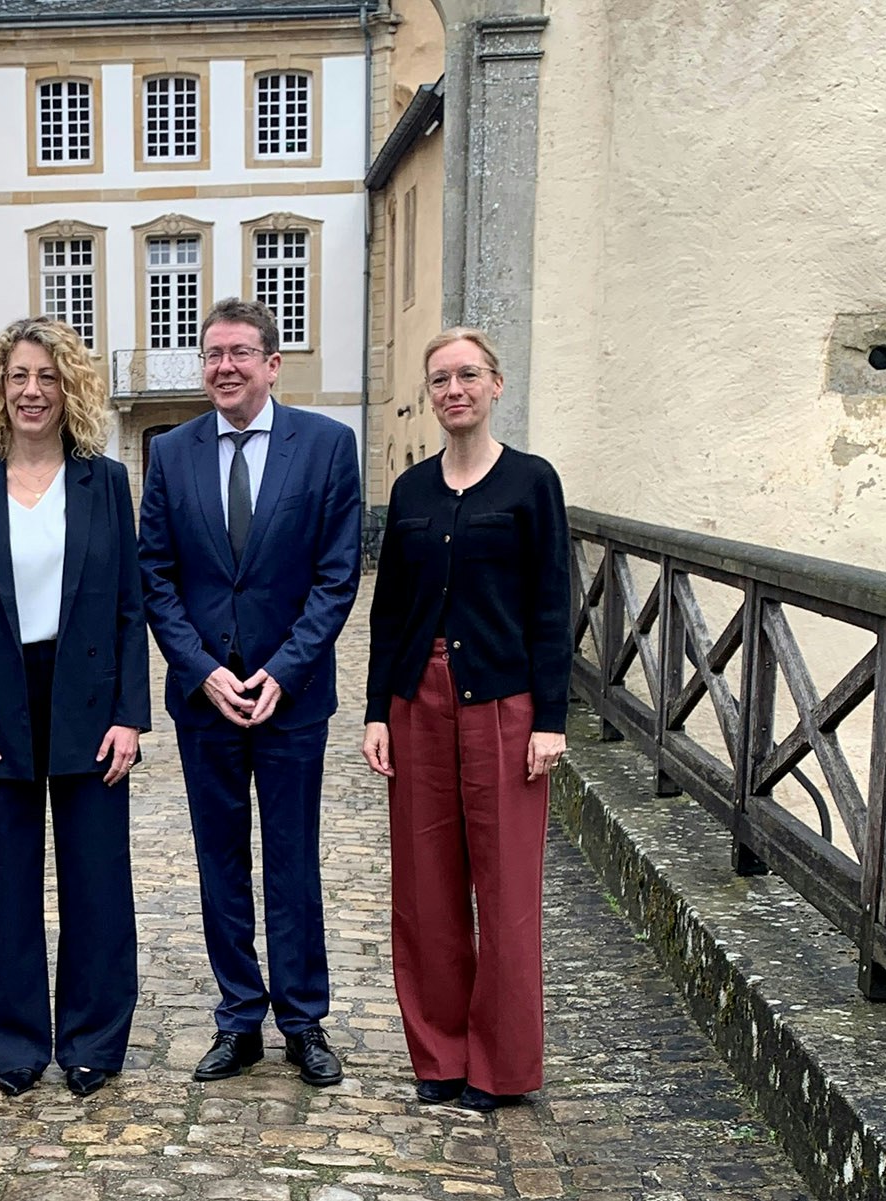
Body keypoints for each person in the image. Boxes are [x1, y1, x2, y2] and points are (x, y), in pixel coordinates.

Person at [138, 297, 362, 1088]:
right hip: (207, 701)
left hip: (291, 698)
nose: (223, 366)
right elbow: (155, 575)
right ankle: (239, 1018)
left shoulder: (329, 448)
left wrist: (284, 670)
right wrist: (202, 670)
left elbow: (338, 579)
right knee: (219, 862)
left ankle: (304, 1021)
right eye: (211, 354)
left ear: (273, 363)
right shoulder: (171, 452)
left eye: (239, 352)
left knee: (293, 858)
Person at [0, 316, 148, 1099]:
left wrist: (130, 714)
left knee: (97, 877)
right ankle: (15, 1042)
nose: (32, 391)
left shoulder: (104, 479)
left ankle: (93, 1039)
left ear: (69, 389)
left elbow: (129, 605)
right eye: (20, 376)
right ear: (1, 386)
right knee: (7, 879)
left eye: (48, 377)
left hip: (88, 695)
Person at [360, 328, 570, 1112]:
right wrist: (379, 708)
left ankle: (501, 1066)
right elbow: (388, 612)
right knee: (425, 885)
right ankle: (441, 1055)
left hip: (505, 706)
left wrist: (551, 716)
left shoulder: (530, 483)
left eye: (468, 375)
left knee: (507, 886)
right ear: (430, 392)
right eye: (441, 377)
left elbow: (553, 604)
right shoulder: (412, 492)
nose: (455, 389)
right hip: (420, 699)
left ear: (496, 384)